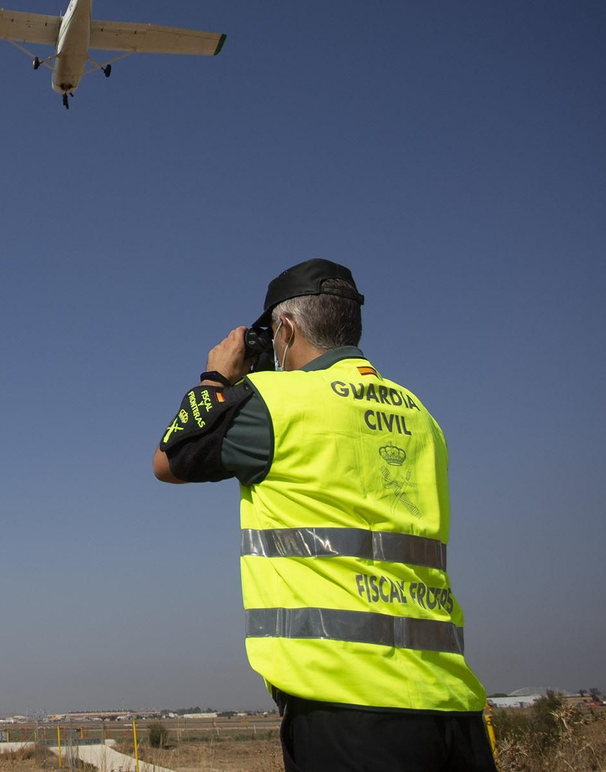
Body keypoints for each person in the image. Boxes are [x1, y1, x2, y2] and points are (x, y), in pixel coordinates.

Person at [151, 260, 495, 772]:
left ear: (284, 330)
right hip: (451, 704)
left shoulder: (274, 402)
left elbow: (171, 459)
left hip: (346, 709)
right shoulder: (420, 415)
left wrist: (216, 378)